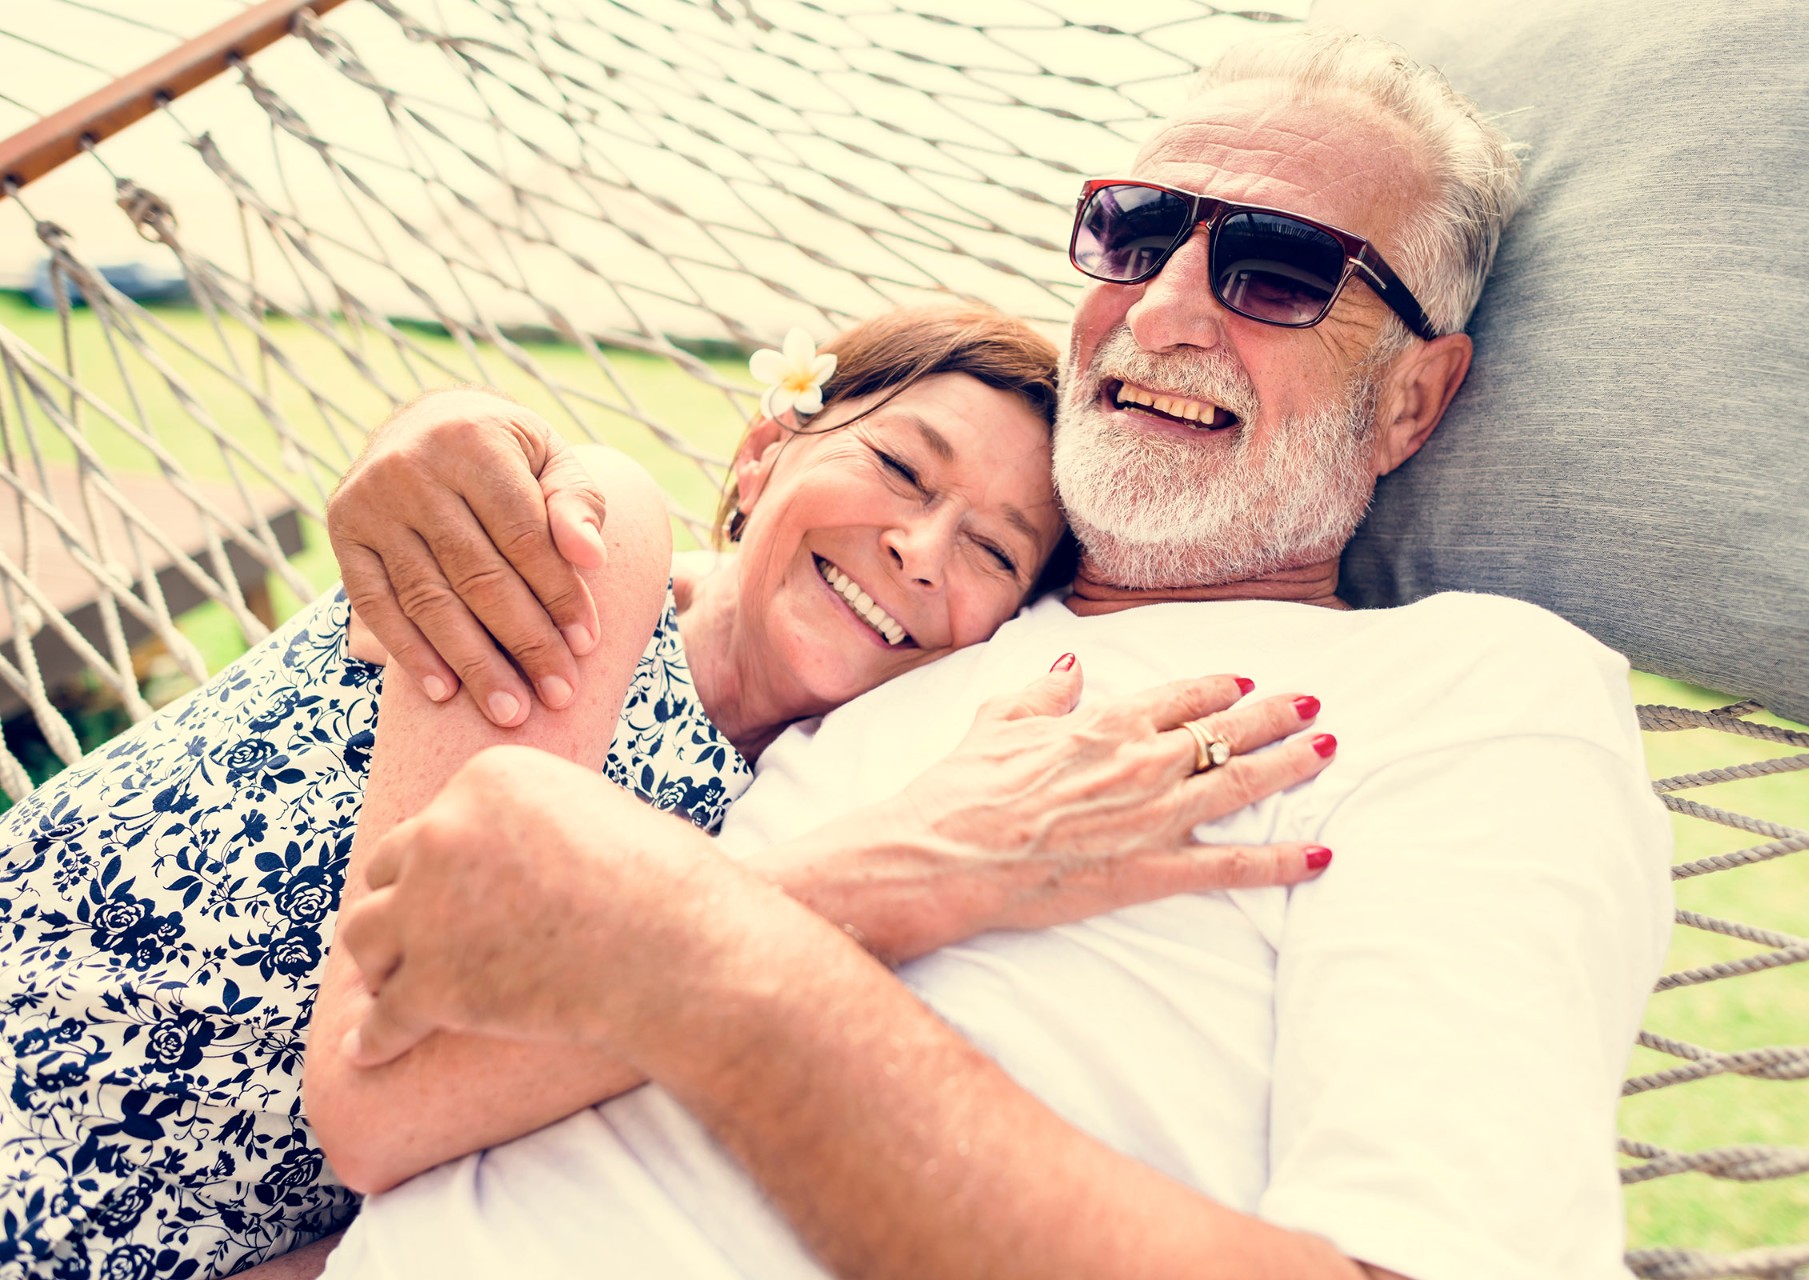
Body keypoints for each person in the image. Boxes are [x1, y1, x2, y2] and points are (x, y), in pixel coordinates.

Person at [306, 29, 1673, 1280]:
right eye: (1134, 236)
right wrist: (456, 437)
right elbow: (402, 1074)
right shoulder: (921, 626)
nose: (1164, 310)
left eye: (1282, 270)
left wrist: (708, 964)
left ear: (1414, 398)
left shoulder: (1479, 695)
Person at [0, 305, 1338, 1280]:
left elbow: (432, 1168)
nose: (920, 549)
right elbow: (390, 1037)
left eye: (991, 547)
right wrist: (920, 862)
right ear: (761, 458)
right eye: (897, 466)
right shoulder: (603, 541)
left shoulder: (777, 816)